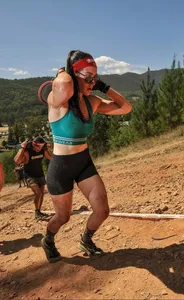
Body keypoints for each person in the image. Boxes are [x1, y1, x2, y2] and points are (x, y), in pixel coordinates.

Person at [40, 50, 132, 263]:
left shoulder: (92, 102)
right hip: (61, 167)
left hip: (83, 163)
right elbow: (63, 86)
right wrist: (65, 71)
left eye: (95, 77)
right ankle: (48, 239)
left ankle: (86, 240)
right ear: (73, 75)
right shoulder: (58, 100)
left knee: (102, 210)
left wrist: (105, 87)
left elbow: (125, 108)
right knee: (63, 217)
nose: (92, 81)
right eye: (88, 77)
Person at [14, 136, 52, 219]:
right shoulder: (28, 151)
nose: (39, 149)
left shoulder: (43, 150)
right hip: (29, 176)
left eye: (42, 147)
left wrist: (50, 149)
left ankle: (38, 211)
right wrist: (22, 148)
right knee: (38, 193)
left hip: (40, 174)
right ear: (34, 144)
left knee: (42, 194)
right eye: (38, 147)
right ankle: (37, 212)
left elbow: (52, 158)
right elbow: (16, 160)